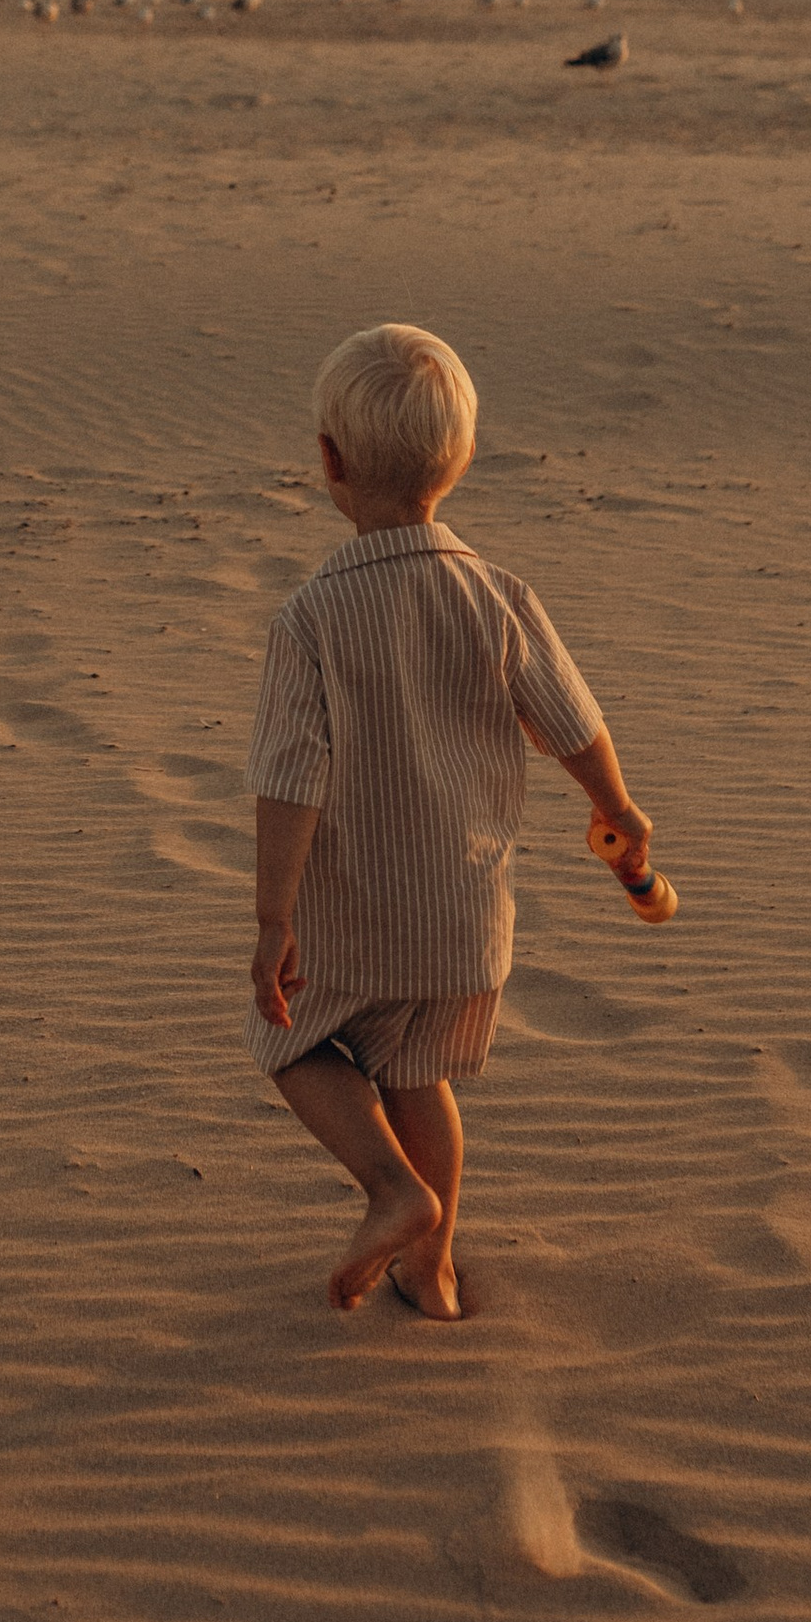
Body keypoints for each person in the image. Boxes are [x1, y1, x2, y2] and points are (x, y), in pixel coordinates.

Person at [247, 321, 657, 1320]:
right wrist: (618, 809)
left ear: (328, 462)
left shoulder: (309, 618)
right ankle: (430, 1268)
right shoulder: (496, 595)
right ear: (463, 461)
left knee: (293, 1048)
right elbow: (572, 722)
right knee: (417, 1073)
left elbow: (290, 778)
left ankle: (392, 1193)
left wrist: (273, 921)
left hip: (356, 917)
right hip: (466, 919)